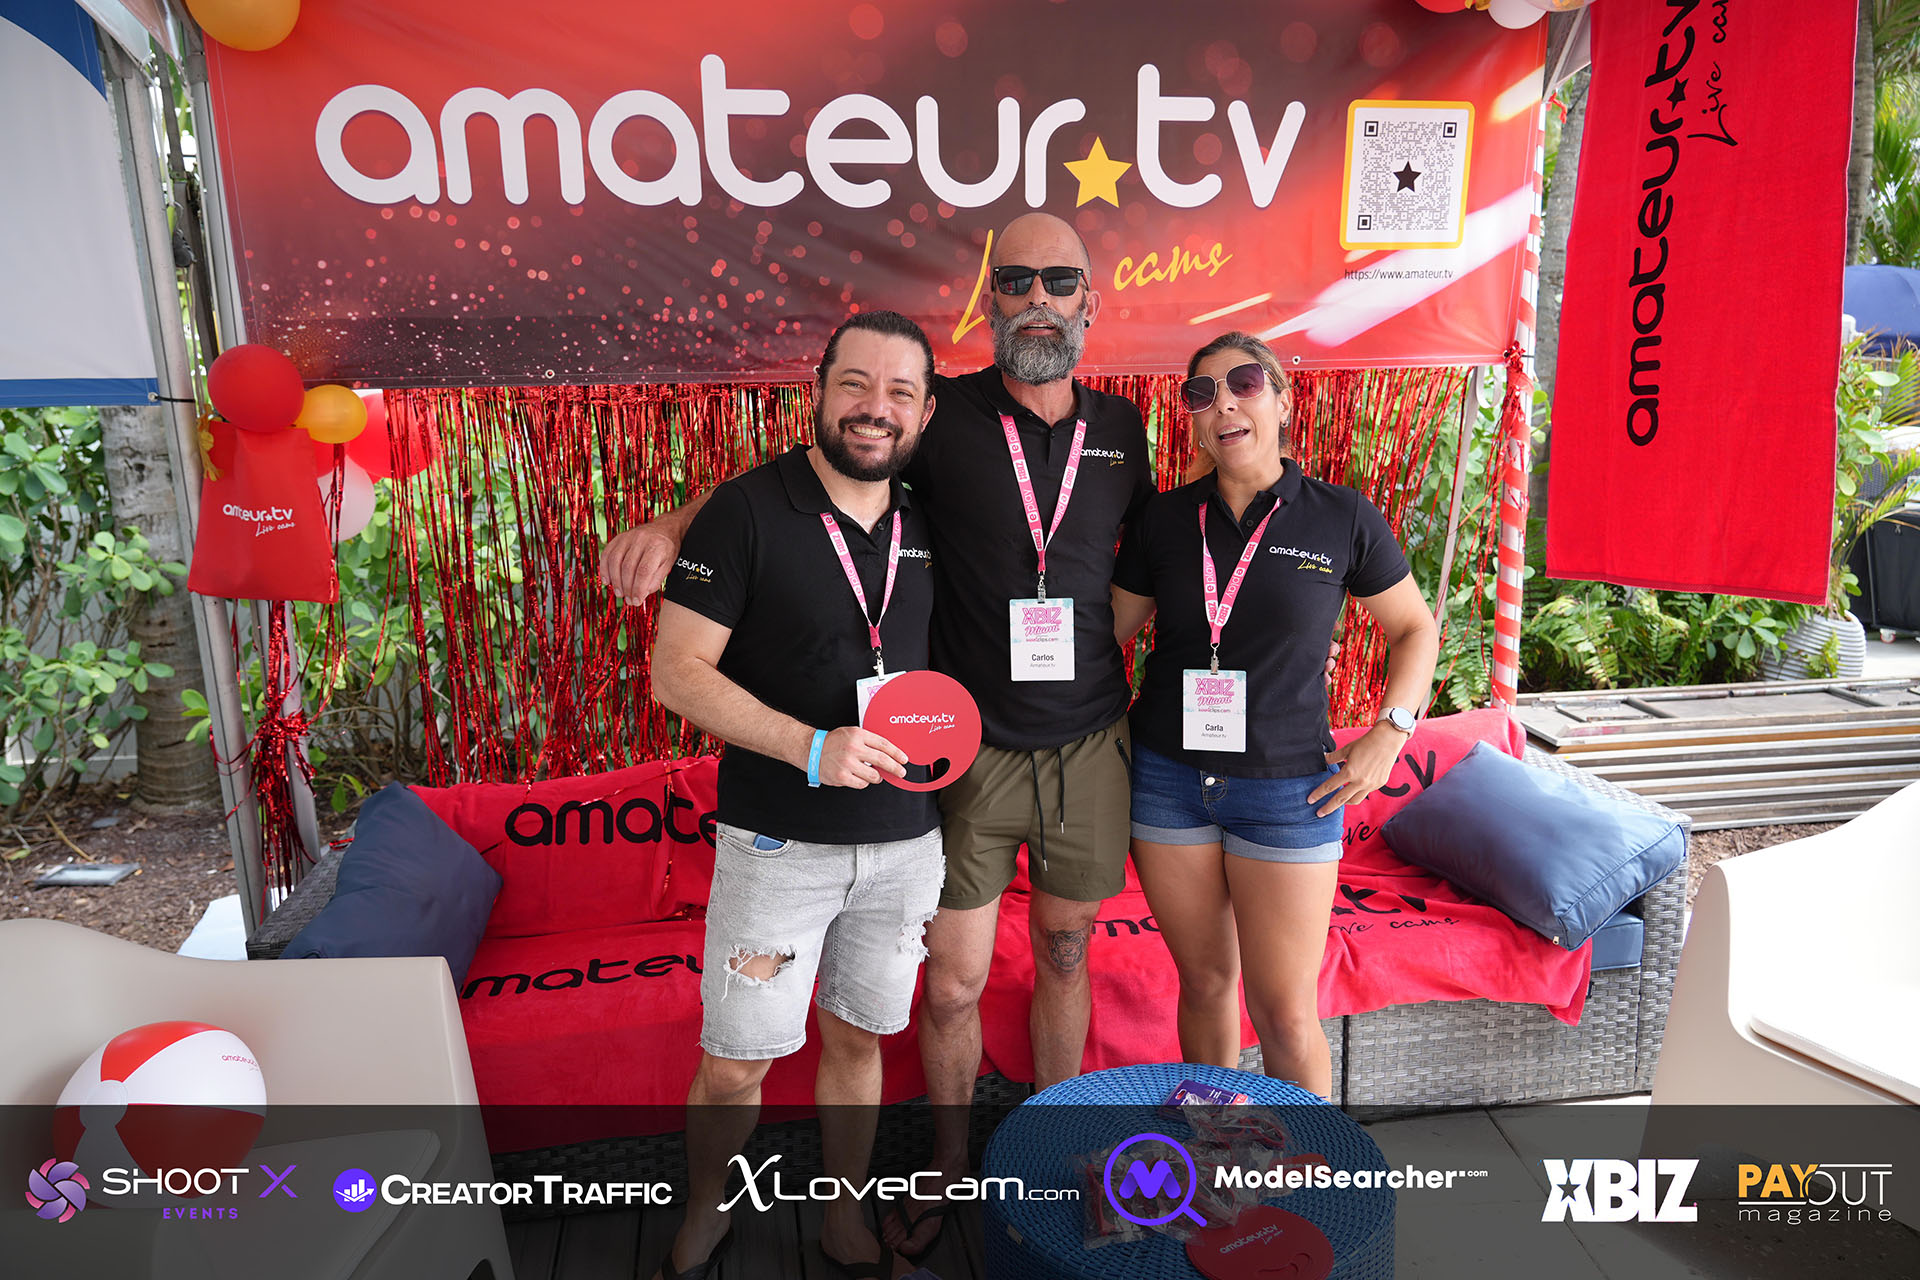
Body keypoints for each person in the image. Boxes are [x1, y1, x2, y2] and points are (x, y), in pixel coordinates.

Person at [603, 214, 1159, 1262]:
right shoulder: (895, 443)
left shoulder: (1102, 437)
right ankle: (770, 1193)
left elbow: (1143, 558)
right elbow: (773, 503)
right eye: (1016, 280)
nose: (1039, 299)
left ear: (1090, 298)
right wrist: (673, 528)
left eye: (1060, 280)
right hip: (869, 797)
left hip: (991, 784)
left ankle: (944, 1184)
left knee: (987, 982)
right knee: (834, 1023)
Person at [646, 310, 941, 1280]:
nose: (874, 407)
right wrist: (809, 747)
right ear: (817, 391)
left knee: (858, 1040)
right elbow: (676, 671)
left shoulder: (934, 514)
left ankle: (843, 1217)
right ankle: (706, 1208)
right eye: (855, 383)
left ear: (924, 413)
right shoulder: (745, 510)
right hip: (777, 847)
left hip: (906, 843)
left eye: (898, 391)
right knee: (737, 1057)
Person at [1109, 331, 1439, 1099]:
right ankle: (1214, 1151)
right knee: (1204, 984)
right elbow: (1106, 637)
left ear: (1283, 400)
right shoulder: (1164, 520)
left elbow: (1414, 630)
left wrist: (1390, 732)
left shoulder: (1339, 516)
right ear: (1193, 419)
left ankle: (1311, 1164)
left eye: (1245, 384)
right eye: (1202, 394)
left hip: (1289, 789)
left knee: (1286, 1014)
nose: (1223, 404)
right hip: (1167, 782)